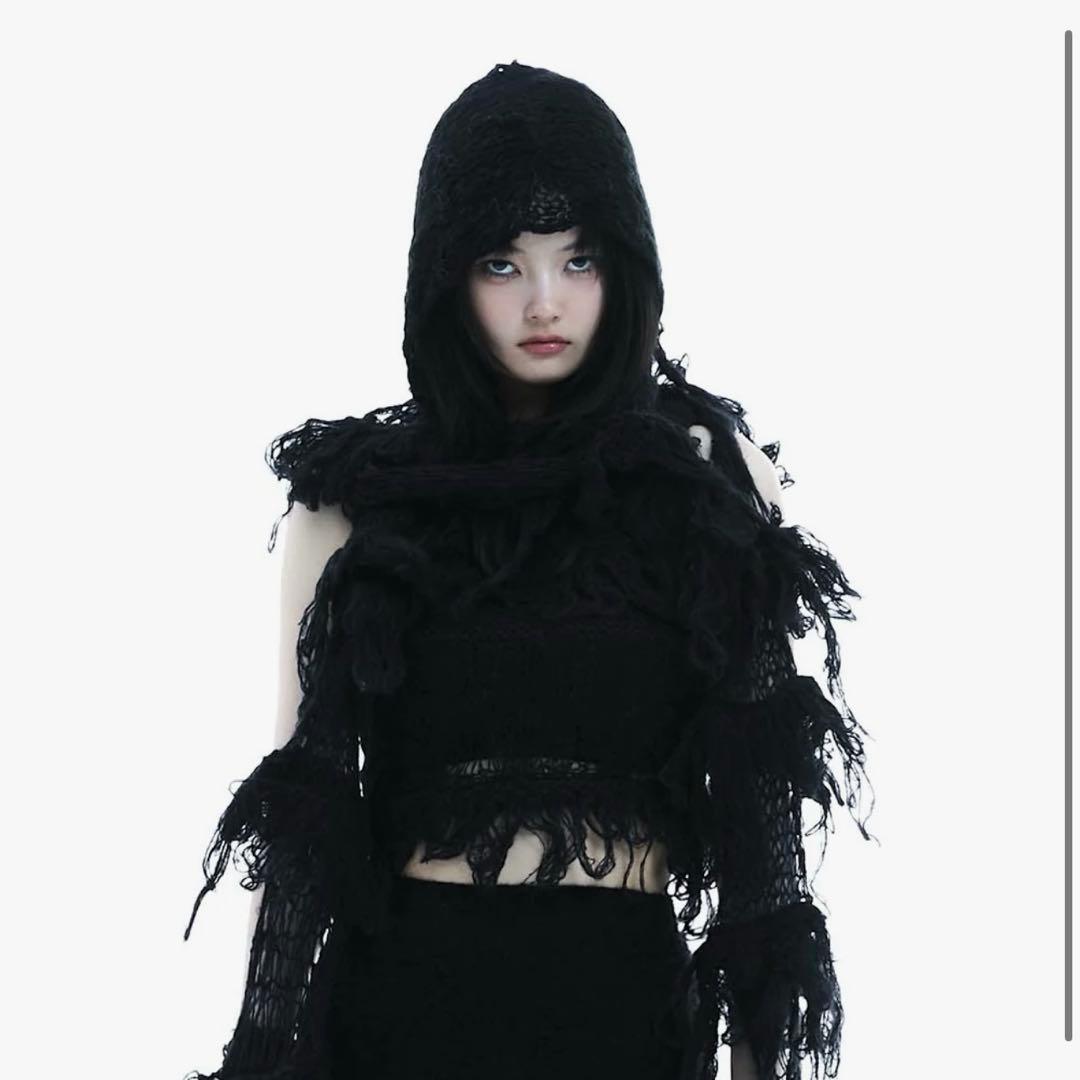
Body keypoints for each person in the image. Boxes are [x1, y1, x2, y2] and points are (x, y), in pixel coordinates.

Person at [182, 60, 877, 1080]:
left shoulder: (706, 485)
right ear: (445, 276)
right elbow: (306, 829)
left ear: (626, 265)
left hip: (623, 1023)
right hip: (403, 1019)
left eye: (578, 258)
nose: (544, 302)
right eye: (502, 263)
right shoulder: (358, 507)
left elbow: (759, 837)